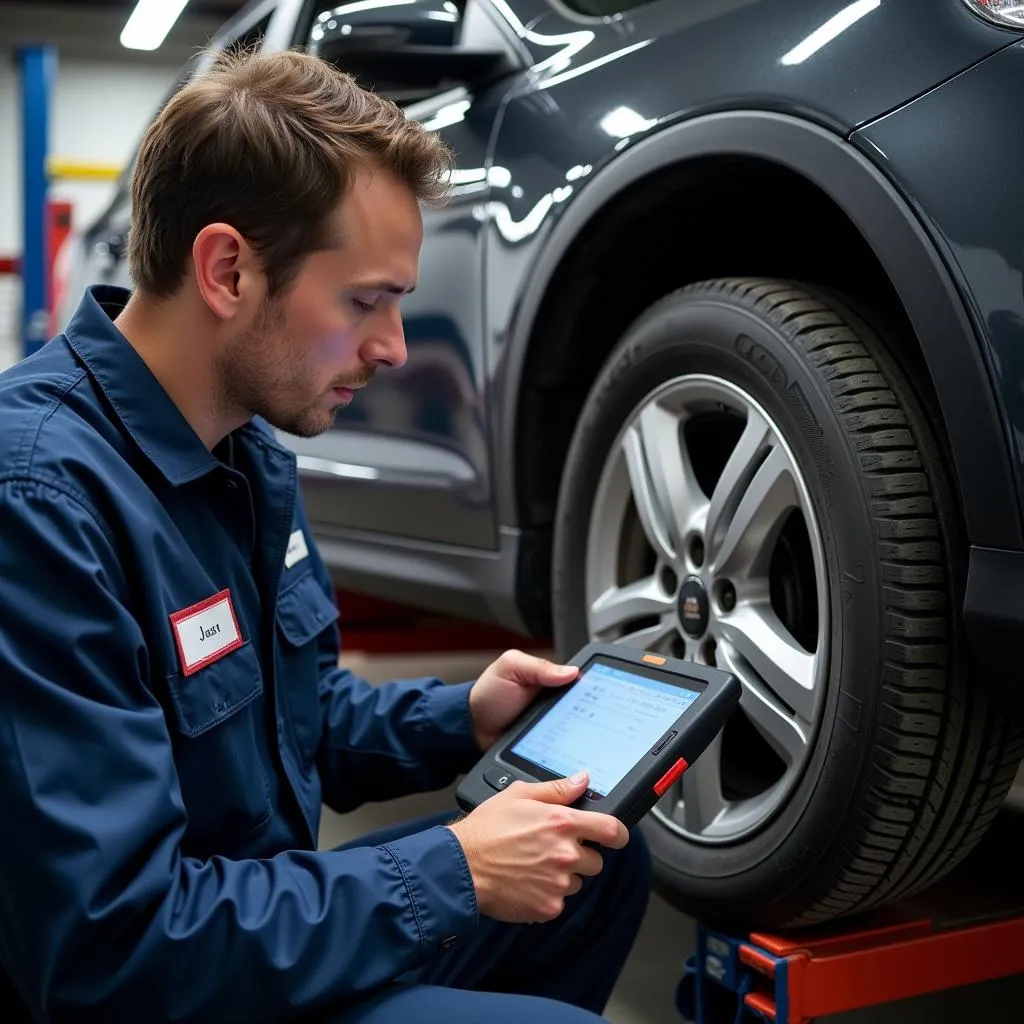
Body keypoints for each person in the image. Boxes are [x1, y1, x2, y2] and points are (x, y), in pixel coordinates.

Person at [0, 46, 651, 1023]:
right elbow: (112, 949)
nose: (392, 348)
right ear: (227, 269)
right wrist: (451, 869)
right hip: (148, 982)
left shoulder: (244, 449)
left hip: (238, 931)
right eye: (367, 301)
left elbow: (283, 714)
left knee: (593, 852)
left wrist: (462, 717)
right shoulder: (40, 503)